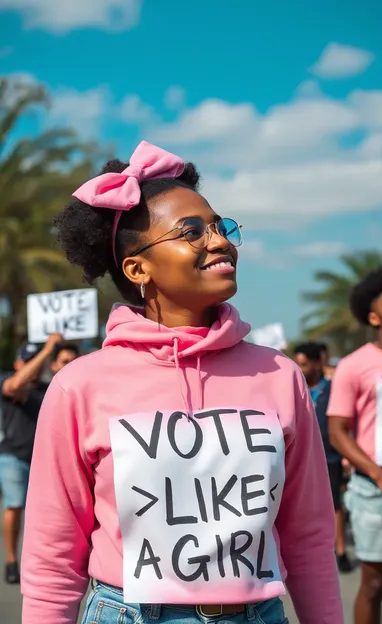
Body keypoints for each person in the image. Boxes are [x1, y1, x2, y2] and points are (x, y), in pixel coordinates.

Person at [21, 141, 342, 624]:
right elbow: (53, 553)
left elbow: (309, 533)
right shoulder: (79, 386)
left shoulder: (280, 375)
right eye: (190, 232)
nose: (218, 241)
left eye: (219, 226)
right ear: (137, 269)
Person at [328, 264, 382, 624]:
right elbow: (338, 431)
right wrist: (380, 476)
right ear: (374, 317)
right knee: (376, 583)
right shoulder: (354, 365)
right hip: (374, 492)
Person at [0, 333, 62, 583]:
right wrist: (47, 350)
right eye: (28, 361)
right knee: (14, 504)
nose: (32, 366)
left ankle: (36, 563)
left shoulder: (48, 389)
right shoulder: (8, 381)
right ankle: (12, 560)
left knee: (45, 515)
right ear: (18, 364)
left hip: (42, 462)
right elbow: (15, 387)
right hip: (12, 456)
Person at [293, 342, 352, 573]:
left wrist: (347, 456)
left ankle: (340, 551)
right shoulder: (293, 391)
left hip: (331, 456)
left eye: (305, 364)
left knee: (335, 504)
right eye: (297, 364)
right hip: (301, 458)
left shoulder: (334, 390)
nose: (301, 369)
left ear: (318, 363)